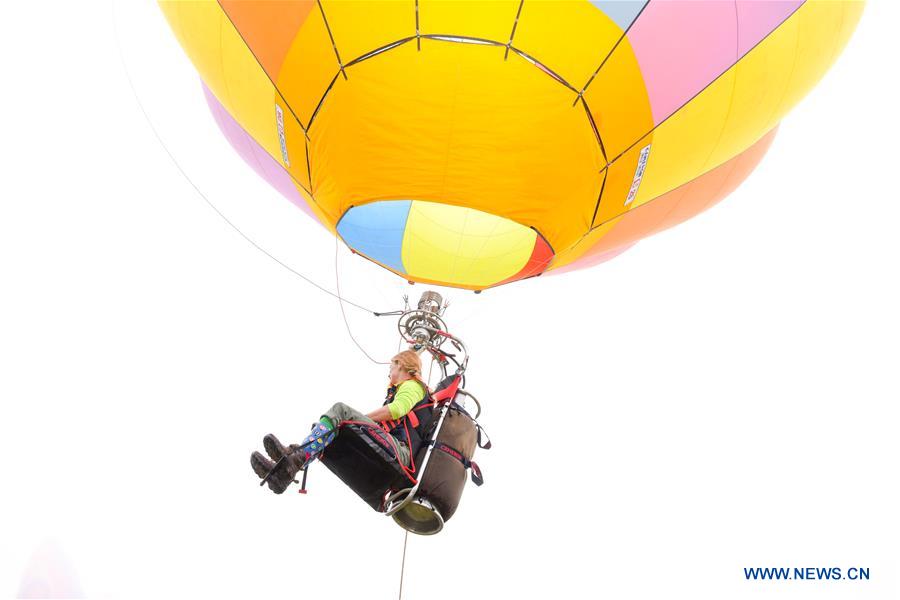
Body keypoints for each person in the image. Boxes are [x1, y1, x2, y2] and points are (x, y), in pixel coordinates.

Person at [250, 349, 429, 494]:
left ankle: (294, 459)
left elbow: (396, 410)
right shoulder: (405, 388)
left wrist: (359, 420)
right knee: (334, 430)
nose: (389, 372)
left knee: (341, 411)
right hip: (395, 448)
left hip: (401, 452)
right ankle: (284, 471)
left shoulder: (413, 386)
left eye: (391, 366)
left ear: (401, 364)